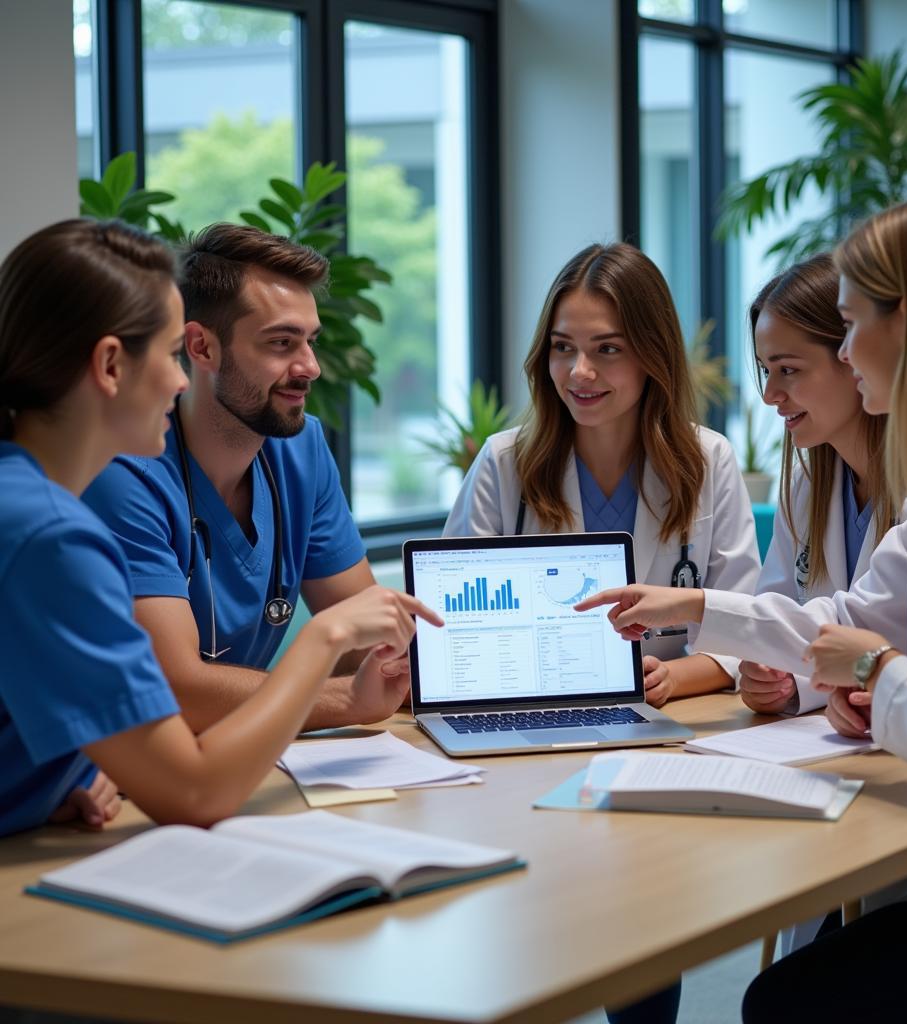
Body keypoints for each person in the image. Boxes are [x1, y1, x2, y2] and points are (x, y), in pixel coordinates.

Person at [578, 192, 907, 1022]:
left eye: (852, 326)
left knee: (788, 1006)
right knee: (784, 993)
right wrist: (704, 609)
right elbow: (841, 618)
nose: (849, 353)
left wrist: (878, 675)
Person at [0, 218, 441, 838]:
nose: (180, 380)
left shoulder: (26, 503)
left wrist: (48, 781)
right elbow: (194, 791)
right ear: (109, 365)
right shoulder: (50, 534)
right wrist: (322, 644)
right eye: (166, 354)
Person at [83, 224, 403, 733]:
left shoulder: (301, 449)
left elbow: (371, 644)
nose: (311, 367)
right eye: (281, 343)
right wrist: (346, 702)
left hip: (247, 751)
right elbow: (177, 690)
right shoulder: (126, 473)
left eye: (310, 341)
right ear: (202, 348)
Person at [445, 242, 761, 707]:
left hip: (673, 721)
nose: (580, 372)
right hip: (531, 710)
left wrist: (672, 677)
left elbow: (742, 622)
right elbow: (452, 628)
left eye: (608, 349)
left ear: (654, 355)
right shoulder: (503, 463)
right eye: (563, 347)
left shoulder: (709, 460)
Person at [740, 252, 897, 722]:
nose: (770, 394)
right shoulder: (807, 484)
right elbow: (778, 615)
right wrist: (774, 678)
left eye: (788, 369)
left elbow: (886, 634)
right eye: (768, 371)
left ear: (853, 357)